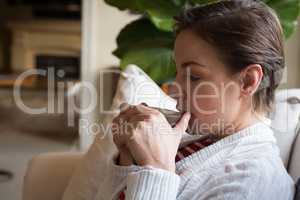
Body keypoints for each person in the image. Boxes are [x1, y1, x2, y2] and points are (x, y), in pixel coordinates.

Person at [63, 0, 295, 199]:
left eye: (194, 76)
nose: (175, 90)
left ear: (247, 81)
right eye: (178, 73)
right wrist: (127, 159)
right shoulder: (201, 136)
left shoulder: (251, 185)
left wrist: (157, 171)